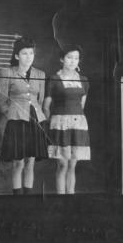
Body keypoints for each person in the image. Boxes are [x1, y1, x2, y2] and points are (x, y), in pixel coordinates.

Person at [0, 37, 48, 195]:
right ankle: (17, 199)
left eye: (31, 53)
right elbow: (2, 101)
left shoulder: (40, 74)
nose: (28, 56)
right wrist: (13, 115)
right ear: (17, 56)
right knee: (18, 163)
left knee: (30, 163)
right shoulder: (8, 73)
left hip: (35, 121)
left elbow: (39, 100)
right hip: (17, 122)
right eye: (24, 53)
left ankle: (28, 199)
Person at [43, 45, 90, 194]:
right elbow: (46, 106)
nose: (73, 61)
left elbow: (82, 105)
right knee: (62, 165)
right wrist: (50, 126)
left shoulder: (84, 80)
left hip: (78, 124)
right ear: (62, 59)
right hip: (60, 123)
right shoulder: (54, 79)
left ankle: (71, 199)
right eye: (69, 57)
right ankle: (60, 199)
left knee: (72, 166)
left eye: (76, 58)